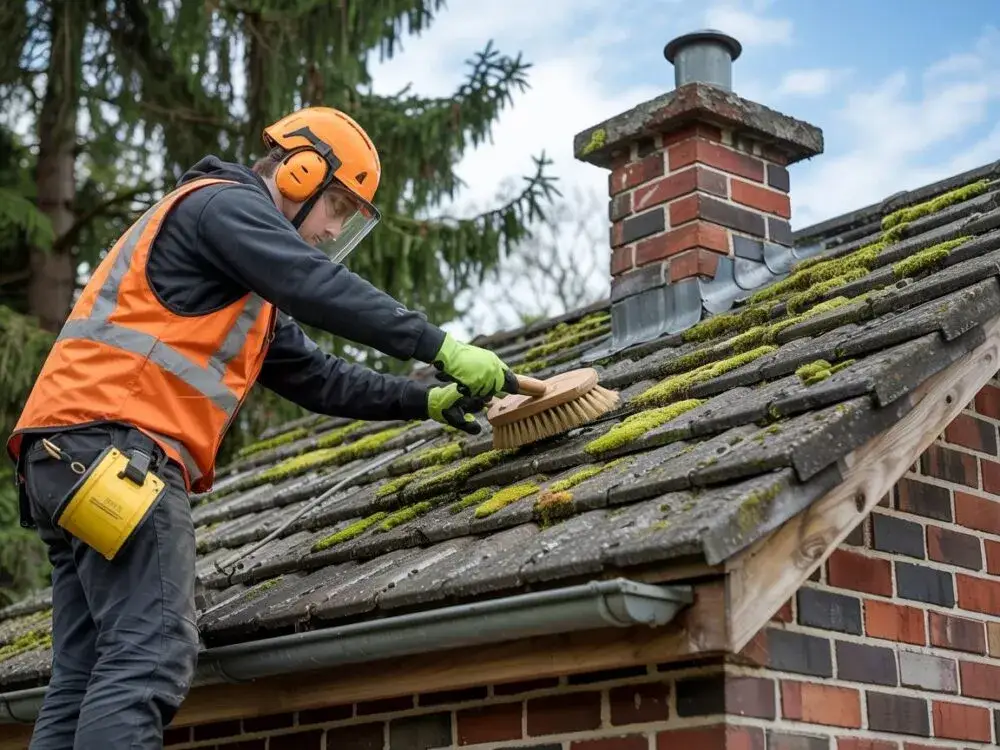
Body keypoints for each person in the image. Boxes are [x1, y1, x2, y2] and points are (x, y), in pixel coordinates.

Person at [5, 106, 514, 748]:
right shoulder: (221, 208)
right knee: (151, 655)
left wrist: (425, 401)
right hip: (116, 454)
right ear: (300, 173)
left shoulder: (237, 270)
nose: (333, 232)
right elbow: (314, 283)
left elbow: (316, 376)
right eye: (336, 208)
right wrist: (439, 344)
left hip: (64, 465)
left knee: (81, 678)